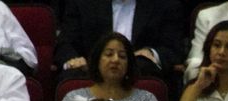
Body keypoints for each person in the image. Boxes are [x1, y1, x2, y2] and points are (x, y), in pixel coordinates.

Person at [55, 0, 185, 81]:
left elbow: (173, 49)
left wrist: (151, 54)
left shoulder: (165, 4)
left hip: (140, 76)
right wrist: (74, 60)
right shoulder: (82, 3)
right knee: (70, 77)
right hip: (91, 75)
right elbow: (65, 42)